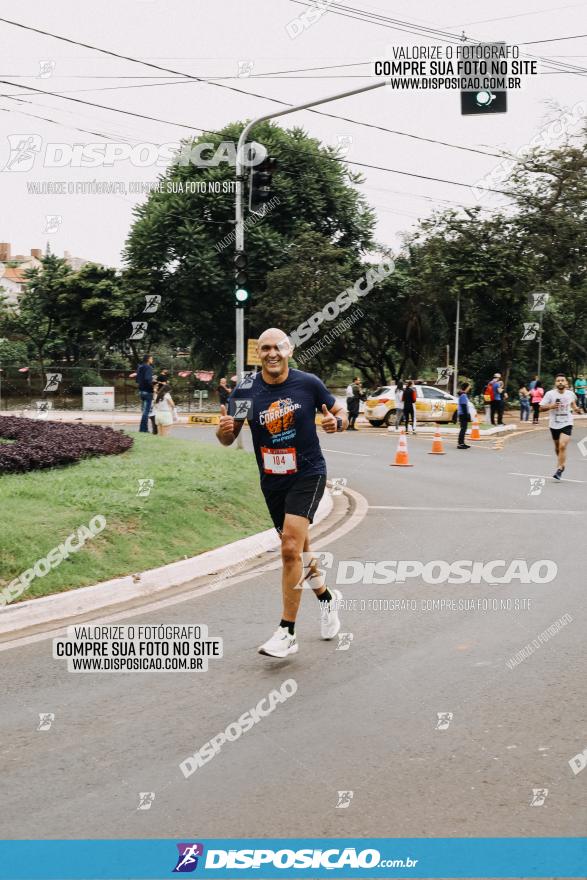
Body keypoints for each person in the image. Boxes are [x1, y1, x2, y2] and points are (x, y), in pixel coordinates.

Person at [217, 327, 347, 659]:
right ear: (257, 354)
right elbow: (228, 438)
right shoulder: (246, 389)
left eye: (278, 347)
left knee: (289, 547)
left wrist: (338, 424)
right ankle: (327, 600)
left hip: (308, 473)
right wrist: (224, 432)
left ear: (288, 351)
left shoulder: (308, 383)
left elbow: (339, 412)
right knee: (299, 549)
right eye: (265, 349)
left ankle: (287, 631)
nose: (272, 353)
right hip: (273, 480)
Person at [540, 373, 581, 480]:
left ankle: (559, 469)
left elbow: (573, 404)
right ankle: (561, 463)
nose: (560, 382)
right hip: (554, 424)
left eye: (562, 380)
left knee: (562, 446)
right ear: (555, 383)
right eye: (558, 380)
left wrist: (576, 409)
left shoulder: (570, 394)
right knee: (557, 448)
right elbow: (541, 408)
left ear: (566, 383)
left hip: (567, 422)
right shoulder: (550, 394)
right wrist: (551, 406)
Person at [136, 354, 154, 433]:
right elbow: (147, 379)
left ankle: (142, 428)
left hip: (141, 391)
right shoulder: (148, 367)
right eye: (151, 359)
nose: (152, 360)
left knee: (144, 411)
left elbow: (137, 380)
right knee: (146, 412)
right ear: (148, 359)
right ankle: (143, 429)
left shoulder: (140, 367)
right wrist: (152, 385)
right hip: (147, 391)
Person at [457, 381, 471, 449]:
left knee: (463, 429)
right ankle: (460, 444)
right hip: (463, 414)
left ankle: (462, 443)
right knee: (463, 429)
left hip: (463, 414)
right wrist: (467, 415)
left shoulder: (463, 394)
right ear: (466, 388)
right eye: (469, 387)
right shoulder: (463, 395)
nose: (469, 388)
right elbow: (463, 406)